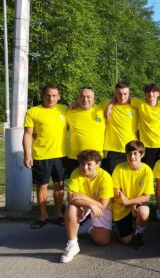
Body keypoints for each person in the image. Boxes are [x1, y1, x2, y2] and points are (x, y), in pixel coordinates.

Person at [23, 84, 68, 229]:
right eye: (48, 95)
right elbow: (28, 134)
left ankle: (58, 214)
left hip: (60, 156)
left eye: (54, 95)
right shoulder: (33, 112)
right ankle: (42, 216)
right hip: (41, 156)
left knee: (59, 186)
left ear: (59, 97)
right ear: (43, 96)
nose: (51, 98)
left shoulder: (65, 110)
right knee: (42, 186)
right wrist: (27, 154)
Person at [60, 150, 113, 263]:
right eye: (82, 163)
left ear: (98, 164)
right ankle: (72, 244)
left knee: (102, 241)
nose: (84, 167)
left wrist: (85, 198)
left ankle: (89, 228)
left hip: (99, 205)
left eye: (89, 164)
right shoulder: (75, 173)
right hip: (84, 204)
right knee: (71, 207)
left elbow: (102, 206)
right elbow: (71, 198)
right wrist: (89, 204)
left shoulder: (106, 177)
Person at [112, 140, 154, 250]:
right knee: (126, 241)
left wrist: (130, 202)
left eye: (135, 153)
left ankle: (139, 233)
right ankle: (120, 229)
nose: (132, 156)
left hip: (136, 203)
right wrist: (128, 204)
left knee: (144, 212)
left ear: (142, 154)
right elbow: (117, 193)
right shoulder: (119, 168)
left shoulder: (147, 171)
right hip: (121, 206)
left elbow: (147, 196)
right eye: (129, 153)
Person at [65, 87, 106, 180]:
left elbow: (117, 100)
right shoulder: (70, 111)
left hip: (96, 159)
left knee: (95, 188)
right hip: (76, 158)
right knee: (75, 188)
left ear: (94, 99)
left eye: (88, 97)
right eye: (82, 97)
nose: (85, 99)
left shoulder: (101, 110)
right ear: (78, 98)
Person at [103, 82, 138, 174]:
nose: (122, 97)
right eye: (119, 94)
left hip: (132, 149)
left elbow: (151, 104)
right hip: (114, 150)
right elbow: (89, 104)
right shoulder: (107, 105)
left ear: (129, 93)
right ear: (115, 93)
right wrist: (76, 103)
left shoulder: (135, 106)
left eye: (125, 94)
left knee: (130, 180)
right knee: (114, 179)